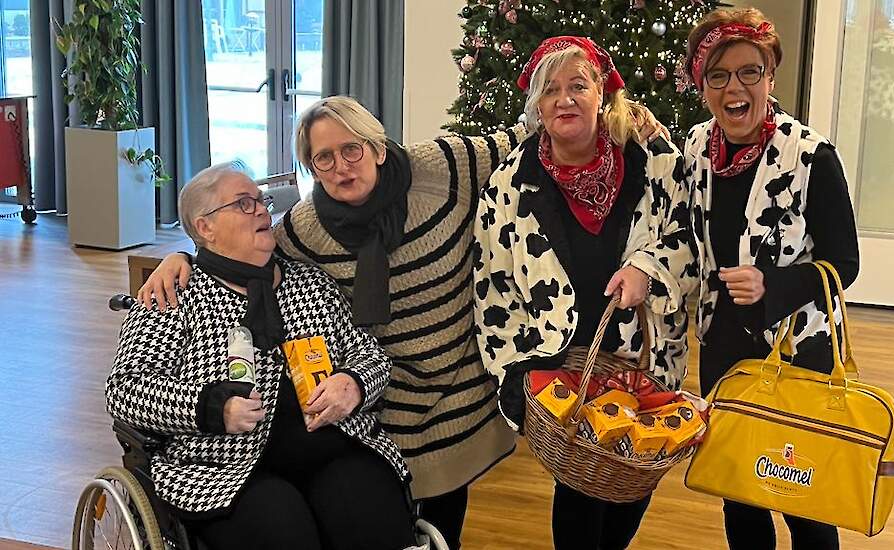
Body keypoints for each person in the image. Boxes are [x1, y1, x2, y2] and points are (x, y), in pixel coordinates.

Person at [139, 95, 665, 547]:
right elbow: (239, 250)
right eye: (324, 159)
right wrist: (182, 258)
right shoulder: (289, 240)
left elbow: (524, 135)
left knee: (392, 520)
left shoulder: (436, 171)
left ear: (377, 143)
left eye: (353, 148)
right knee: (292, 527)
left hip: (449, 390)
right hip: (310, 437)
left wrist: (618, 115)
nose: (343, 166)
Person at [106, 164, 420, 550]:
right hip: (222, 470)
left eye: (260, 200)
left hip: (332, 448)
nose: (260, 210)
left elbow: (367, 351)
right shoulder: (173, 296)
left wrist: (353, 383)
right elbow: (125, 390)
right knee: (282, 528)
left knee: (374, 520)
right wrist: (211, 406)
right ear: (205, 228)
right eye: (243, 203)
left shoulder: (311, 282)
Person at [473, 36, 696, 550]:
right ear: (537, 104)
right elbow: (494, 289)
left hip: (642, 358)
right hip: (563, 366)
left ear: (603, 91)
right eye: (550, 90)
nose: (564, 100)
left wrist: (648, 267)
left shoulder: (652, 159)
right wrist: (514, 370)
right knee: (579, 487)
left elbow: (687, 240)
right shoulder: (511, 186)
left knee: (633, 481)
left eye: (578, 85)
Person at [682, 8, 859, 549]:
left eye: (749, 72)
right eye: (718, 75)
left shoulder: (811, 156)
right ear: (702, 84)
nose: (734, 88)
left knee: (802, 498)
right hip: (724, 353)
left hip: (798, 353)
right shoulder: (693, 150)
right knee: (740, 491)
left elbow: (844, 263)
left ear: (770, 76)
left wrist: (773, 285)